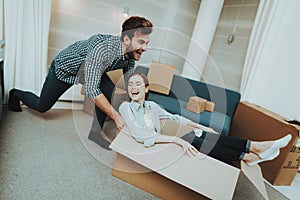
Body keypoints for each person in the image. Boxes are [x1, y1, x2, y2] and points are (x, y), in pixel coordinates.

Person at [8, 16, 154, 150]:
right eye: (141, 42)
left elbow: (131, 84)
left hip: (89, 71)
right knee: (42, 106)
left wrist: (140, 109)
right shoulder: (102, 49)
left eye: (146, 43)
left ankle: (95, 133)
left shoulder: (130, 56)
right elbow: (92, 90)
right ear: (127, 40)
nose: (145, 48)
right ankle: (15, 94)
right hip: (65, 70)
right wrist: (116, 116)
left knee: (110, 91)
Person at [118, 72, 292, 165]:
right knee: (196, 140)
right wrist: (179, 141)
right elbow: (142, 135)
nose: (133, 88)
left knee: (204, 134)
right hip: (159, 141)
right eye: (131, 84)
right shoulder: (125, 107)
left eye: (138, 84)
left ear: (146, 89)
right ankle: (251, 152)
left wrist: (200, 125)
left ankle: (252, 149)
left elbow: (176, 118)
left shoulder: (152, 105)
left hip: (170, 134)